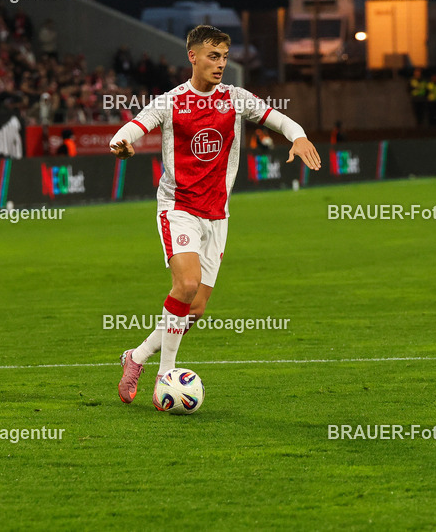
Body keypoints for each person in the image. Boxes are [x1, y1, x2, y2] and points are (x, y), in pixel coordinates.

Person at [110, 25, 321, 408]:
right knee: (186, 284)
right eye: (213, 56)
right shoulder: (171, 101)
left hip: (217, 216)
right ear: (192, 57)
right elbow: (133, 127)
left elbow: (278, 119)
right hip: (179, 209)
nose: (220, 64)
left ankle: (136, 357)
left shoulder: (235, 99)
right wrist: (121, 144)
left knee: (196, 309)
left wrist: (299, 136)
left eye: (224, 57)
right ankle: (165, 376)